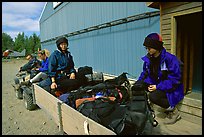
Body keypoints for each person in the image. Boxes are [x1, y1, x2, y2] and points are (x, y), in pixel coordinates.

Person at [134, 32, 184, 125]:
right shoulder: (149, 58)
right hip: (157, 83)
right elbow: (145, 73)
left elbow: (175, 79)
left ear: (157, 47)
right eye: (146, 48)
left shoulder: (170, 59)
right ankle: (148, 107)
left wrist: (157, 87)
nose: (147, 50)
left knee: (154, 96)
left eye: (149, 47)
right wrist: (139, 82)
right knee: (138, 86)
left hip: (172, 86)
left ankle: (174, 112)